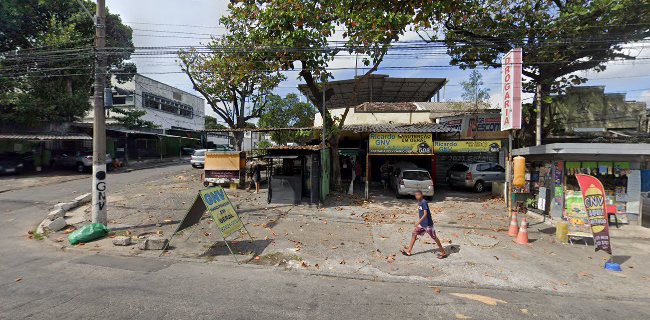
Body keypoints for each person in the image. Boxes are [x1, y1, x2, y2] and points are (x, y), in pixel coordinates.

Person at [401, 190, 447, 259]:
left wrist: (418, 222)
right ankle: (409, 251)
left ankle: (443, 253)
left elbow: (425, 214)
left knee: (434, 238)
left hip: (428, 225)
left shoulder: (424, 202)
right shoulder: (419, 202)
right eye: (416, 195)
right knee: (414, 233)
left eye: (418, 195)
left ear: (421, 195)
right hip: (422, 225)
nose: (416, 196)